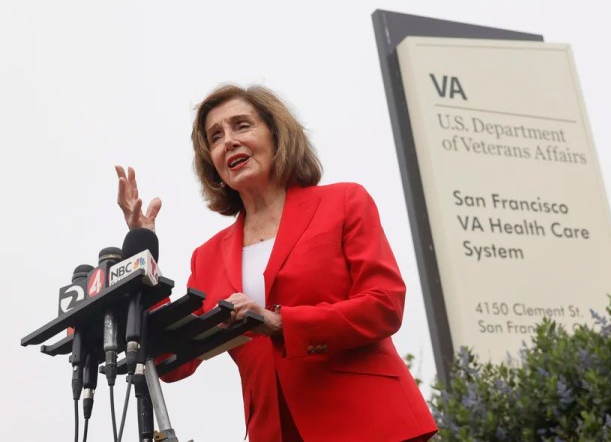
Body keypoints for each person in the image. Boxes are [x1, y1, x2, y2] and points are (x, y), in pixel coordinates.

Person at [115, 84, 437, 442]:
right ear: (213, 163)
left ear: (276, 133)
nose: (229, 141)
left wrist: (279, 322)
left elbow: (385, 305)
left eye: (242, 125)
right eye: (216, 136)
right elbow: (174, 359)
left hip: (370, 423)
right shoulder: (206, 257)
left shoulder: (344, 202)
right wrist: (144, 257)